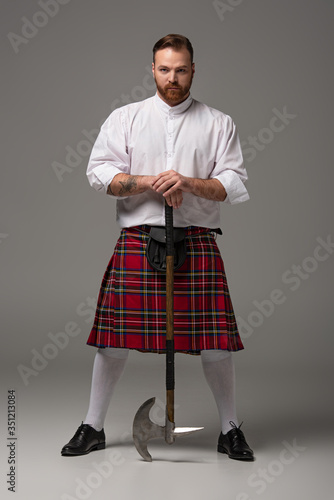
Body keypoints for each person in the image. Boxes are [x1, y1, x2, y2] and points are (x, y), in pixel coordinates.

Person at [61, 34, 254, 461]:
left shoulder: (218, 123)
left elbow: (233, 184)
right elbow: (99, 174)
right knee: (112, 341)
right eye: (164, 69)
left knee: (216, 341)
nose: (172, 78)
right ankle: (92, 426)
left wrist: (185, 182)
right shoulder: (125, 119)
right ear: (152, 69)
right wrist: (150, 182)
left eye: (181, 69)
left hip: (197, 240)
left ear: (193, 70)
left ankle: (230, 429)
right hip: (138, 238)